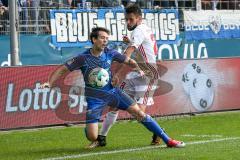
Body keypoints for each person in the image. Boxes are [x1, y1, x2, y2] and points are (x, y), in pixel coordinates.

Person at [40, 27, 185, 149]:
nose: (105, 41)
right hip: (94, 98)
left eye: (106, 38)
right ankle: (95, 136)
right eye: (102, 38)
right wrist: (49, 82)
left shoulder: (110, 53)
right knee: (92, 136)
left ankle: (168, 140)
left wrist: (138, 68)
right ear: (93, 39)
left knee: (139, 113)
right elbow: (61, 70)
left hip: (113, 92)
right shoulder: (82, 58)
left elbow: (129, 60)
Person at [96, 4, 168, 147]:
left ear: (139, 19)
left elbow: (127, 55)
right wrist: (130, 42)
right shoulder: (143, 29)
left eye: (131, 20)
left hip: (148, 74)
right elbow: (145, 49)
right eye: (126, 20)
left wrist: (115, 73)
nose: (128, 22)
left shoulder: (139, 31)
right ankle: (101, 138)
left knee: (139, 113)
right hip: (136, 72)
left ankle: (159, 131)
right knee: (115, 102)